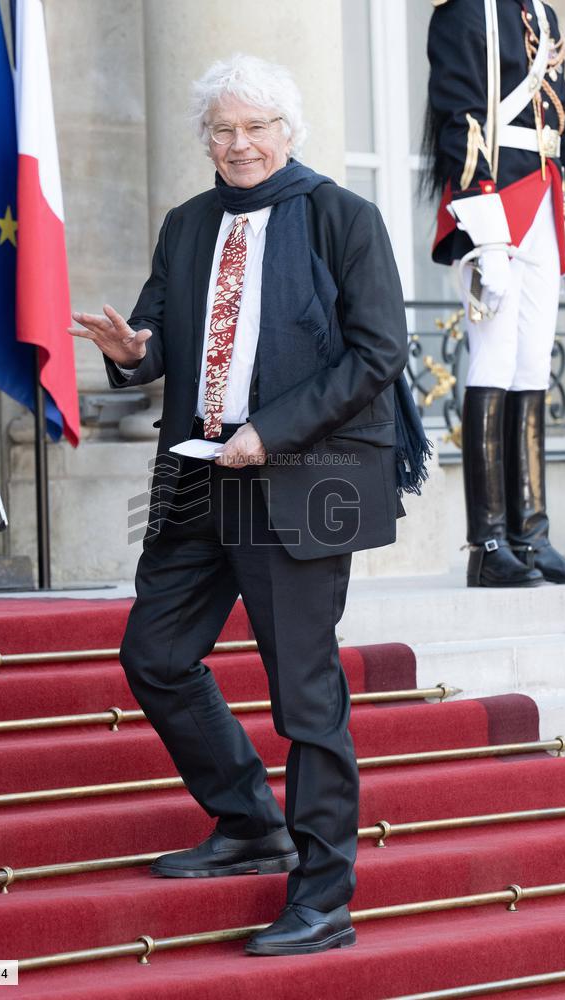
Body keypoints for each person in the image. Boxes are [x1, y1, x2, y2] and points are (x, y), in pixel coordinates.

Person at [70, 54, 408, 956]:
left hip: (303, 477)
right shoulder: (187, 224)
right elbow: (156, 344)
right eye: (222, 129)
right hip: (197, 475)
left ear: (287, 131)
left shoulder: (343, 216)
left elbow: (378, 353)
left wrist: (273, 428)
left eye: (256, 126)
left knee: (304, 697)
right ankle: (248, 820)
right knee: (155, 653)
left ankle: (324, 894)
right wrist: (130, 351)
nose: (238, 143)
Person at [425, 0, 565, 587]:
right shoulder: (463, 12)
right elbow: (458, 113)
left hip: (544, 196)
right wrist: (484, 227)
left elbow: (559, 111)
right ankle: (487, 544)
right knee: (493, 355)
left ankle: (531, 536)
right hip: (496, 199)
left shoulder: (543, 13)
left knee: (534, 359)